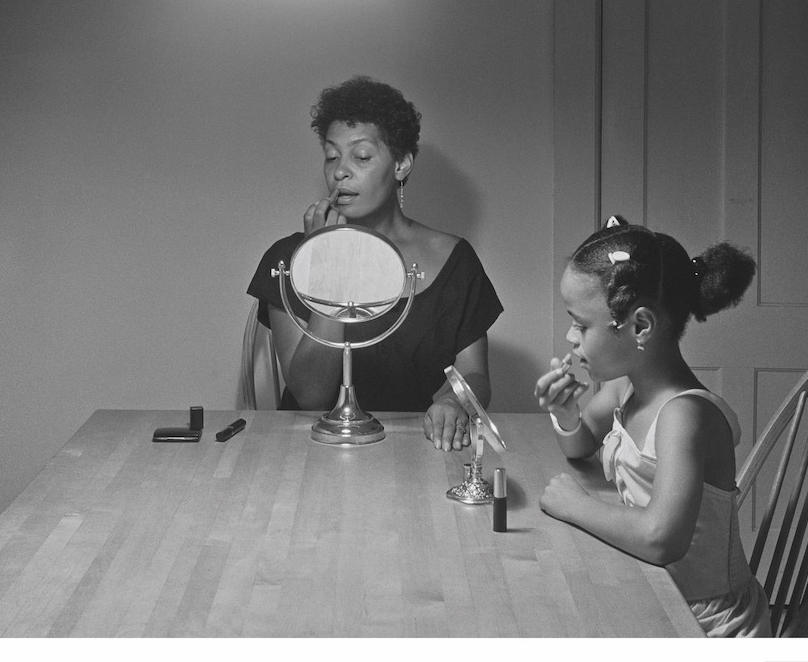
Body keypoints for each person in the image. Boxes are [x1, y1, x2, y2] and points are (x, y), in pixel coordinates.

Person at [534, 215, 771, 638]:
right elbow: (579, 446)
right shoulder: (626, 386)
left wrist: (576, 504)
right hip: (654, 587)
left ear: (640, 327)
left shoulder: (684, 416)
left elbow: (661, 538)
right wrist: (567, 412)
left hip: (704, 622)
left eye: (581, 324)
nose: (571, 337)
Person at [248, 76, 502, 451]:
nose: (340, 172)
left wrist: (454, 402)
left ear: (401, 164)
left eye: (361, 157)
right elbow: (311, 395)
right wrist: (331, 265)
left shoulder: (454, 259)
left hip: (420, 451)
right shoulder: (289, 259)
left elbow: (475, 374)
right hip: (313, 453)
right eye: (331, 156)